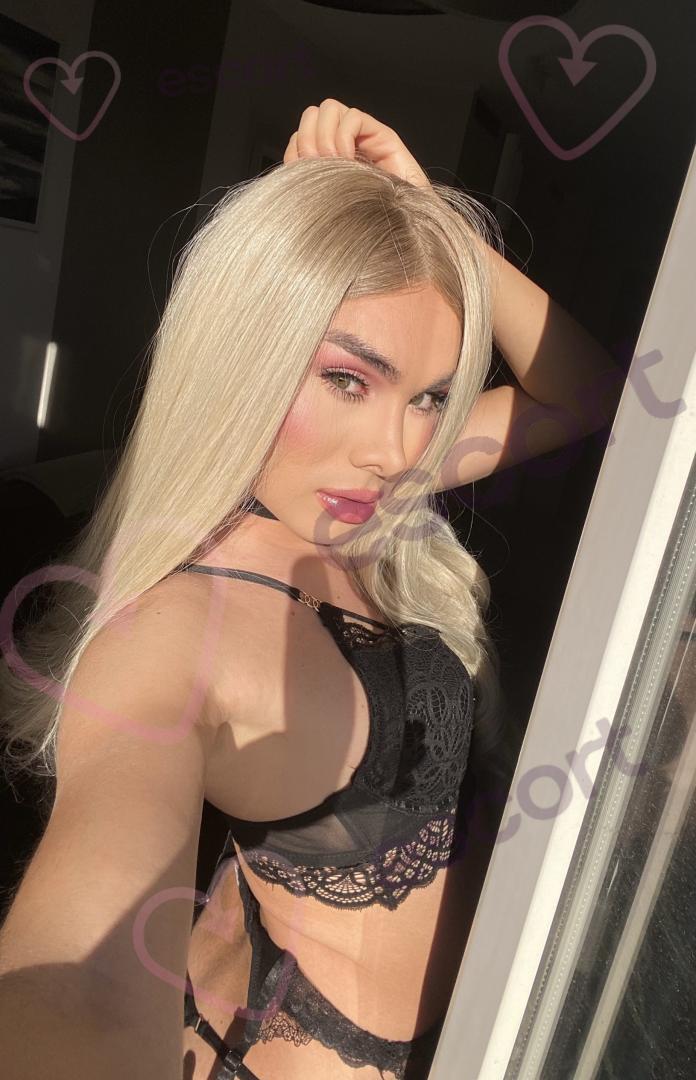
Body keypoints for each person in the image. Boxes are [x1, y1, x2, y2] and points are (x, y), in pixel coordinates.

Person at [0, 100, 620, 1079]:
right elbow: (78, 994)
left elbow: (586, 392)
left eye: (430, 396)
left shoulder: (362, 493)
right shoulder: (170, 628)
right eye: (347, 379)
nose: (396, 448)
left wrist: (430, 215)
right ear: (244, 357)